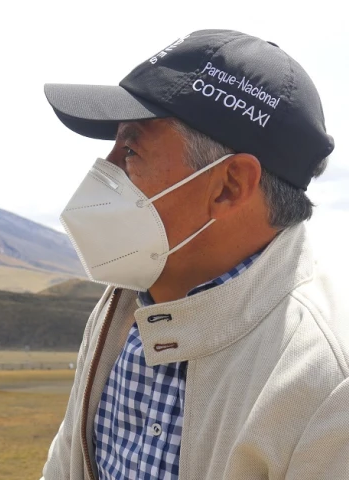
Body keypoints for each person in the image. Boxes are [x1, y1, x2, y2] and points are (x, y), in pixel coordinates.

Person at [40, 29, 348, 480]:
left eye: (130, 148)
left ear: (228, 186)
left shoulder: (326, 382)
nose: (105, 169)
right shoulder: (125, 303)